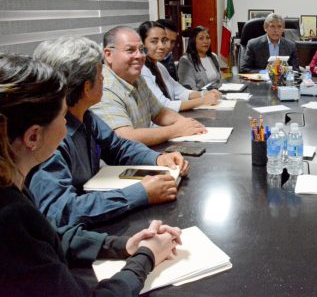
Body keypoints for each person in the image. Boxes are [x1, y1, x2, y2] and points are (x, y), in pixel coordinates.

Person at [0, 54, 180, 295]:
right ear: (33, 137)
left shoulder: (11, 185)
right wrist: (146, 257)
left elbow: (50, 237)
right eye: (63, 116)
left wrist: (123, 245)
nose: (68, 124)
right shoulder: (10, 216)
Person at [29, 36, 189, 228]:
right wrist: (140, 193)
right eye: (100, 73)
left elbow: (118, 147)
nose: (104, 78)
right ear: (86, 87)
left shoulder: (85, 116)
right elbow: (62, 211)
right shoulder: (49, 139)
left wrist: (157, 159)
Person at [90, 26, 206, 146]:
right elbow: (125, 137)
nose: (139, 56)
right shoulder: (103, 86)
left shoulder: (137, 78)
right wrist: (176, 130)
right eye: (130, 50)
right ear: (108, 54)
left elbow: (159, 112)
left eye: (141, 50)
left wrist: (186, 123)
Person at [138, 21, 221, 112]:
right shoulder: (142, 70)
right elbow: (164, 105)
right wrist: (203, 100)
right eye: (154, 41)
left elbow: (181, 91)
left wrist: (205, 94)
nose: (162, 46)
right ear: (142, 44)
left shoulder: (159, 66)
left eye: (163, 40)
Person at [177, 25, 223, 90]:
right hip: (200, 98)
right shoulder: (186, 61)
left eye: (208, 38)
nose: (205, 41)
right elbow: (189, 90)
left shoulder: (213, 57)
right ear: (193, 41)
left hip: (218, 95)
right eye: (201, 38)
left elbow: (219, 81)